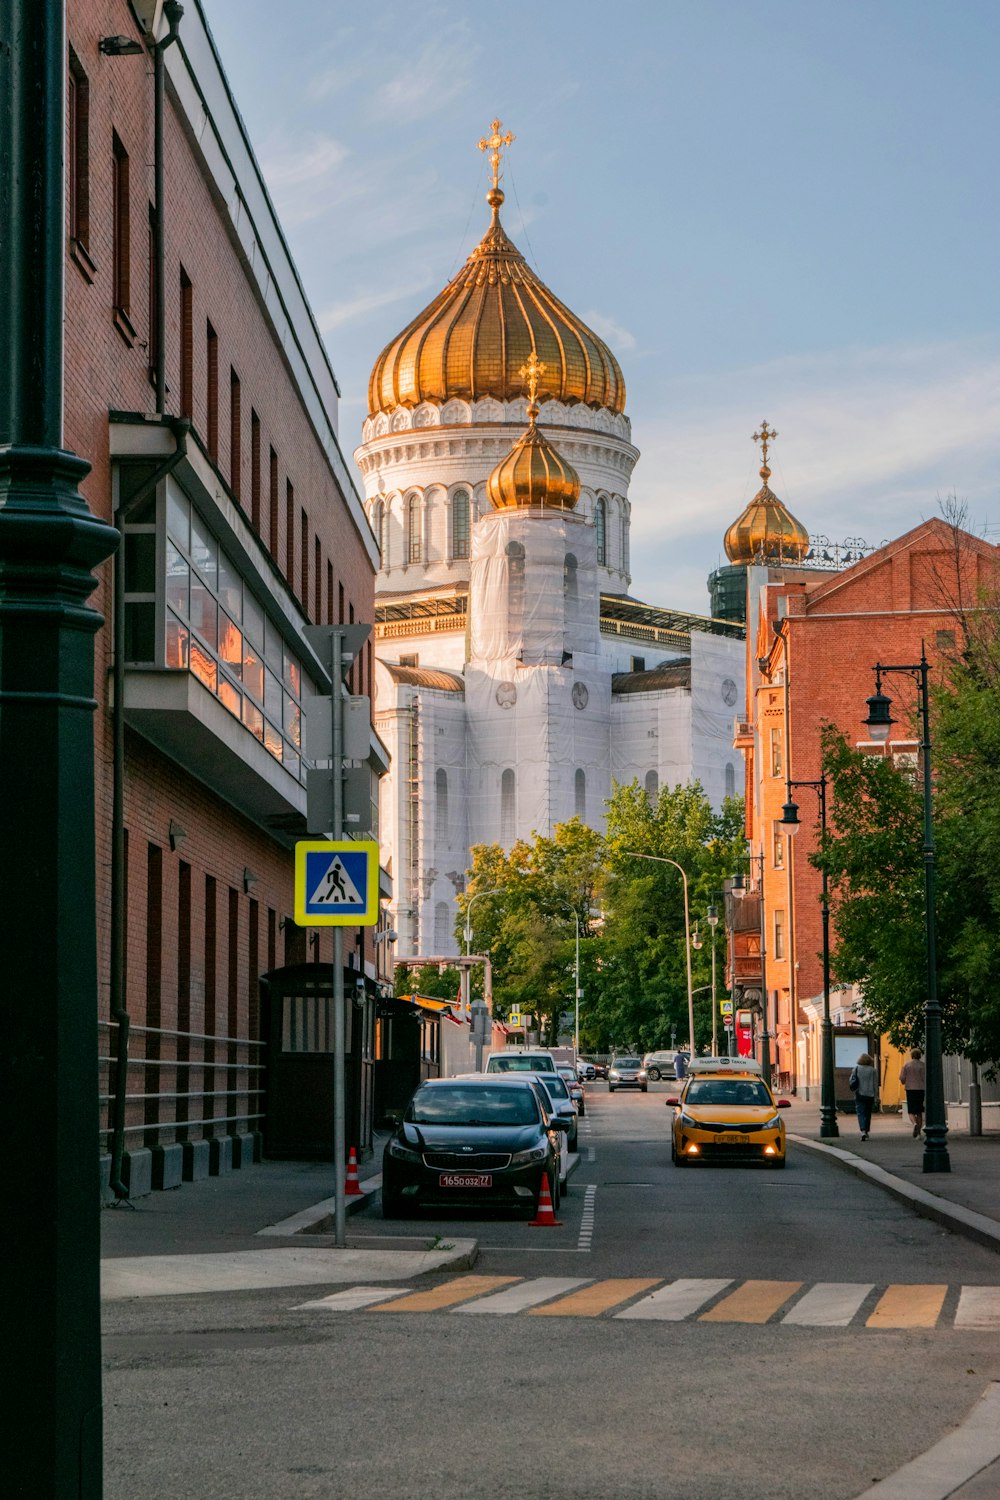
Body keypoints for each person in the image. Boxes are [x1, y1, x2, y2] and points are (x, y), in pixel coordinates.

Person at [849, 1052, 879, 1141]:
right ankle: (866, 1130)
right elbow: (875, 1084)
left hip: (859, 1094)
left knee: (860, 1113)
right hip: (870, 1094)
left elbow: (851, 1080)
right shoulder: (873, 1070)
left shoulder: (856, 1069)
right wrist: (876, 1096)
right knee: (868, 1113)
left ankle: (862, 1130)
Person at [899, 1047, 926, 1138]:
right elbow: (925, 1078)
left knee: (911, 1110)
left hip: (910, 1089)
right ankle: (919, 1132)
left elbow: (902, 1078)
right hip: (920, 1089)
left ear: (911, 1055)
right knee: (919, 1111)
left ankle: (914, 1123)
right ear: (919, 1055)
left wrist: (905, 1082)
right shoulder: (923, 1065)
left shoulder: (907, 1065)